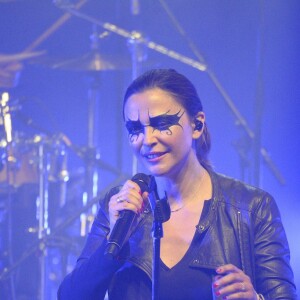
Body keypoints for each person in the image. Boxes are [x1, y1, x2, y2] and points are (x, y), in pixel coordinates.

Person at [58, 69, 297, 299]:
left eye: (161, 124)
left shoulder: (251, 207)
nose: (148, 140)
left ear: (197, 124)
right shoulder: (121, 207)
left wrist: (254, 299)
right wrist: (112, 245)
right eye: (135, 129)